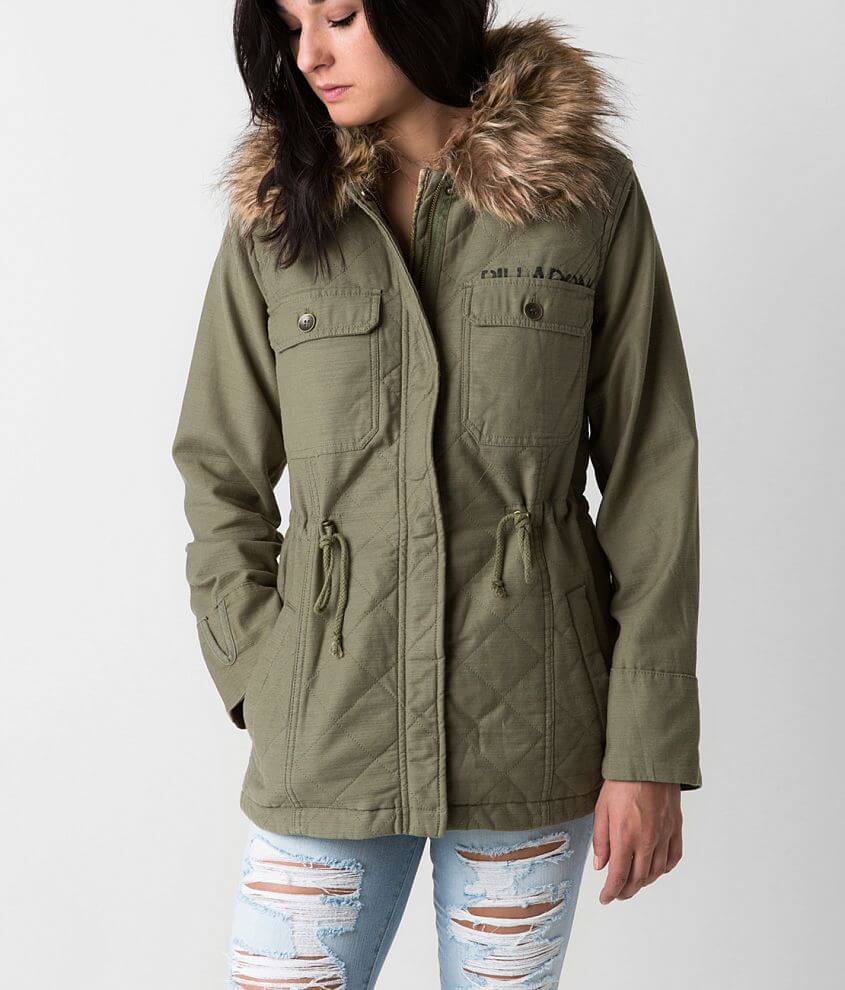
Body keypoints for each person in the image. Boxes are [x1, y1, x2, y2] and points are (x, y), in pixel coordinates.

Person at [171, 1, 703, 986]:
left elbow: (651, 473)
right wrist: (257, 673)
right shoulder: (279, 213)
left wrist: (648, 746)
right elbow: (218, 468)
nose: (310, 53)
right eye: (288, 26)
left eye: (339, 15)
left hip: (532, 719)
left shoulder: (582, 194)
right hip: (327, 726)